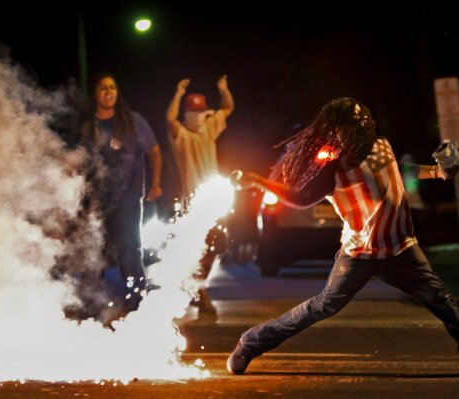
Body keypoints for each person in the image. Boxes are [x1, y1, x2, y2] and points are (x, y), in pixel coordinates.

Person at [227, 97, 459, 375]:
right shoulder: (334, 165)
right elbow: (301, 200)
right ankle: (250, 343)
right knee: (322, 306)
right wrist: (257, 181)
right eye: (339, 130)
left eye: (348, 129)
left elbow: (397, 169)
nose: (342, 135)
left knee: (442, 302)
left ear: (363, 128)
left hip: (401, 249)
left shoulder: (382, 145)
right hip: (359, 254)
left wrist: (437, 171)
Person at [82, 72, 163, 313]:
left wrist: (155, 182)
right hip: (97, 197)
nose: (108, 92)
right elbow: (81, 157)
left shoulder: (132, 121)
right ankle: (91, 299)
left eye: (112, 88)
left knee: (129, 247)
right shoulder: (90, 125)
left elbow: (155, 152)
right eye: (103, 88)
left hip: (128, 196)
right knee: (94, 248)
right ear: (96, 95)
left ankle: (136, 296)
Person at [166, 75, 234, 315]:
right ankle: (199, 290)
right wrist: (178, 94)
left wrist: (223, 89)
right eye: (194, 112)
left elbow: (227, 108)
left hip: (214, 201)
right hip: (193, 204)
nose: (198, 117)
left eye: (200, 112)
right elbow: (170, 120)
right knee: (198, 247)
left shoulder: (209, 130)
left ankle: (197, 286)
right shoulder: (183, 137)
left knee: (216, 247)